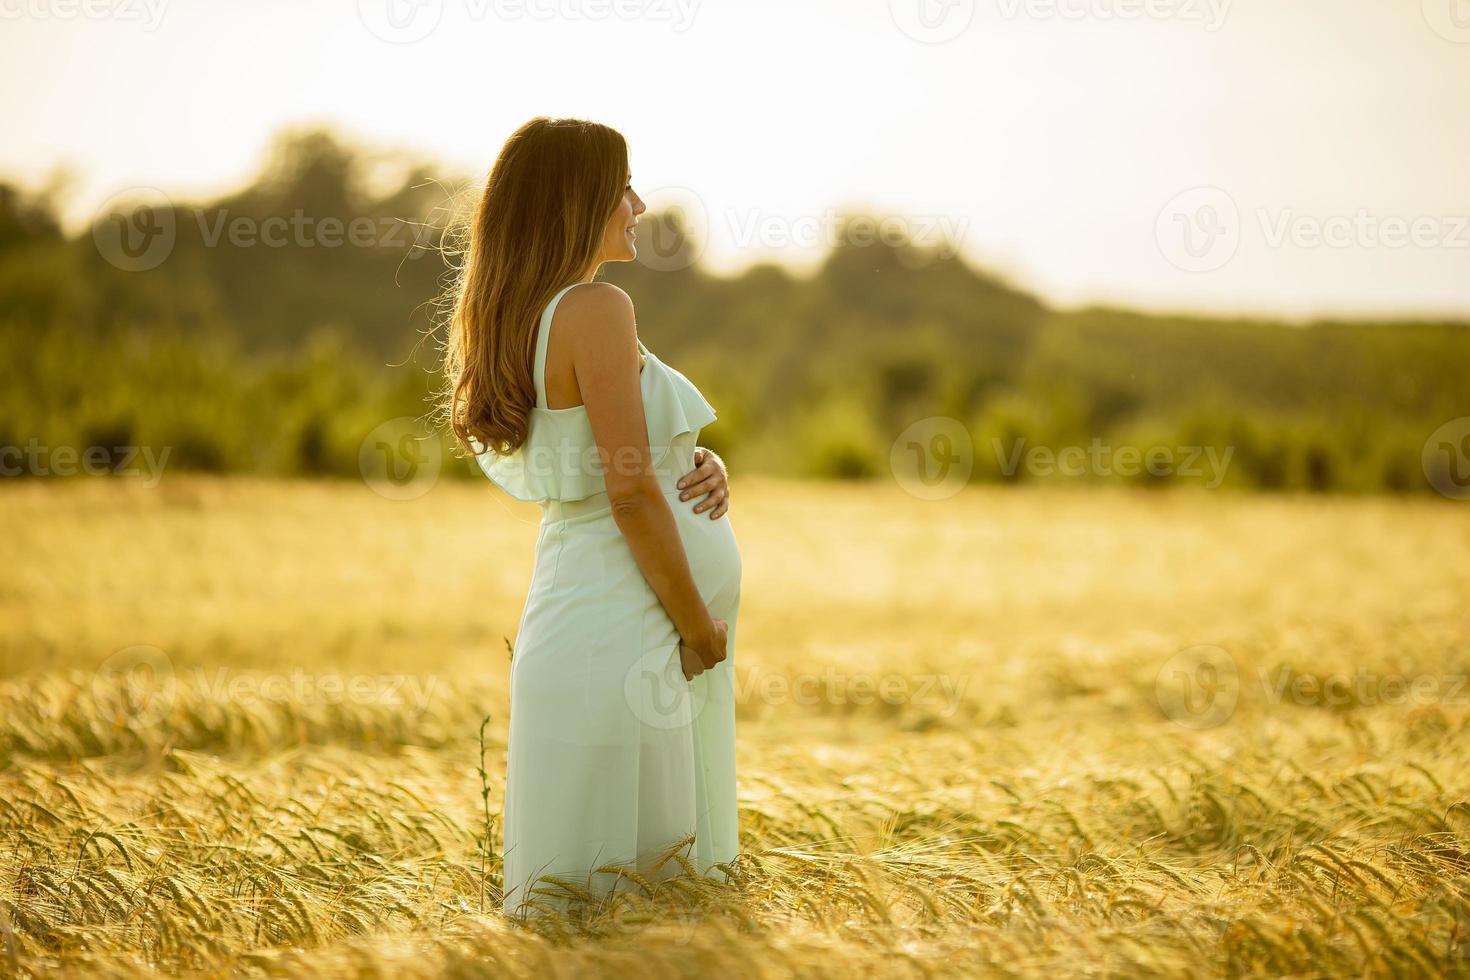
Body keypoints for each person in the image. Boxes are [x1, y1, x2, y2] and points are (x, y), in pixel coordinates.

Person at [440, 116, 742, 919]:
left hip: (586, 621)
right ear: (577, 201)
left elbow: (607, 463)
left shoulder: (529, 313)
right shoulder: (597, 306)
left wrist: (697, 464)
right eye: (624, 188)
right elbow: (629, 492)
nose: (639, 204)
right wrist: (698, 626)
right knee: (638, 906)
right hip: (633, 634)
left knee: (583, 912)